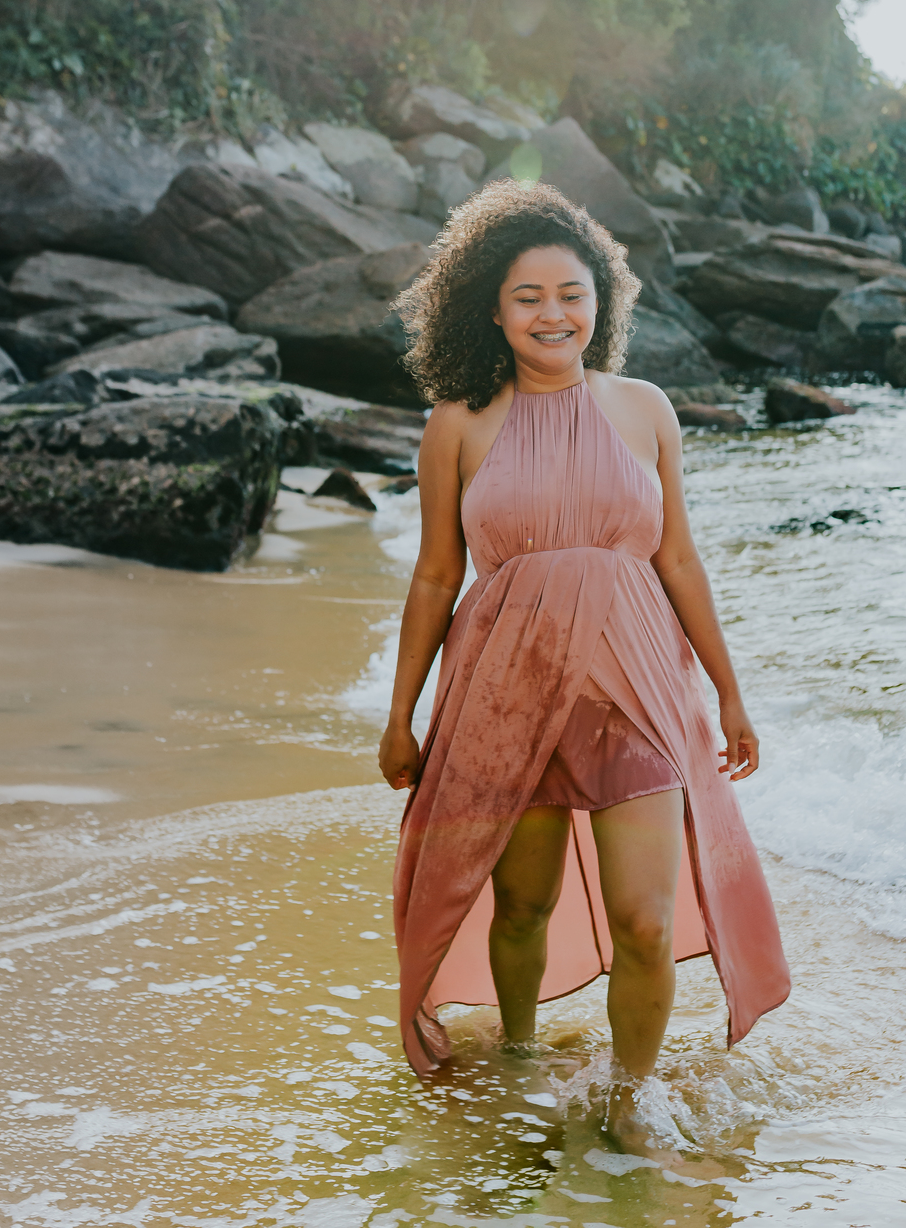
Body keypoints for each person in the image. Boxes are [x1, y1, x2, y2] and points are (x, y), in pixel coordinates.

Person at [379, 180, 788, 1143]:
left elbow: (677, 557)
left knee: (645, 918)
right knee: (520, 904)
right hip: (506, 687)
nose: (553, 313)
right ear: (489, 307)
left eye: (572, 292)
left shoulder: (645, 409)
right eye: (529, 296)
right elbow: (437, 575)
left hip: (639, 684)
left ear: (601, 300)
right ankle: (519, 1063)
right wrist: (401, 716)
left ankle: (629, 1103)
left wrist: (729, 693)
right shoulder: (459, 422)